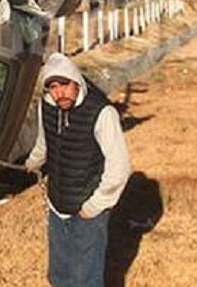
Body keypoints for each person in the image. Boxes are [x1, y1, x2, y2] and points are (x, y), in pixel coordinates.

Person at [25, 53, 131, 287]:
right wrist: (32, 161)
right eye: (52, 87)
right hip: (57, 206)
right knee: (59, 276)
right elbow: (45, 142)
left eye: (64, 85)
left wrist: (94, 206)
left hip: (87, 209)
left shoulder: (102, 113)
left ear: (77, 82)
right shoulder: (48, 106)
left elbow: (119, 168)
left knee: (85, 280)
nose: (59, 92)